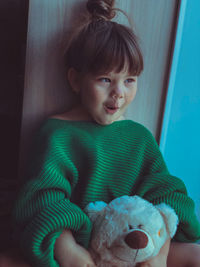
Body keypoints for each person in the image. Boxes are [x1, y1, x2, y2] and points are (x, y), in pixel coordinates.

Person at [12, 0, 200, 266]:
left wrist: (161, 252)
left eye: (129, 80)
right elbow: (43, 200)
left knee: (196, 255)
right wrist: (70, 252)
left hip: (135, 251)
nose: (119, 93)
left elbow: (168, 198)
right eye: (105, 79)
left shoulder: (139, 137)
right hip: (82, 251)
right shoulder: (56, 135)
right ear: (75, 80)